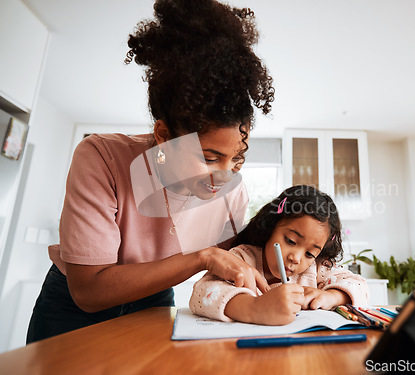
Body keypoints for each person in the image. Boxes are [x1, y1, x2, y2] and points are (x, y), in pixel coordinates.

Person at [27, 0, 274, 343]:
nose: (225, 175)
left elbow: (233, 267)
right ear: (163, 136)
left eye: (237, 159)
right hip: (72, 309)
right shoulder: (102, 158)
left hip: (155, 301)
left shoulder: (233, 193)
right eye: (209, 157)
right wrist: (202, 257)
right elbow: (89, 290)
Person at [190, 185, 370, 325]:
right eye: (290, 241)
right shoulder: (243, 258)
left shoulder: (316, 269)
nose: (296, 258)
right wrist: (255, 308)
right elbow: (202, 293)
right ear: (271, 227)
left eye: (309, 253)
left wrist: (331, 296)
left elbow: (360, 287)